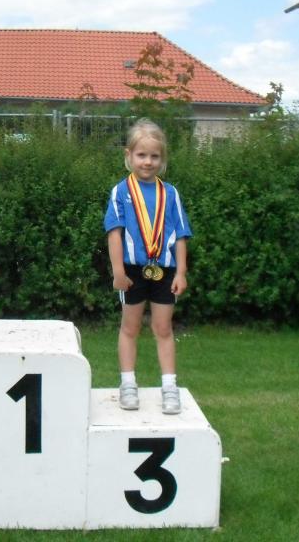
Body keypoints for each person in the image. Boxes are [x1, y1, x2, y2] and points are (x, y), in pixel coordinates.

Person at [104, 118, 192, 414]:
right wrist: (118, 271)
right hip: (131, 271)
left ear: (162, 159)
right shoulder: (121, 192)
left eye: (154, 156)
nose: (148, 162)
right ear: (129, 155)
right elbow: (114, 233)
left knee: (163, 328)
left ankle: (170, 387)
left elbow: (180, 234)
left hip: (164, 270)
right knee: (130, 328)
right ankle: (128, 384)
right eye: (141, 155)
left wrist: (181, 272)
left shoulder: (171, 193)